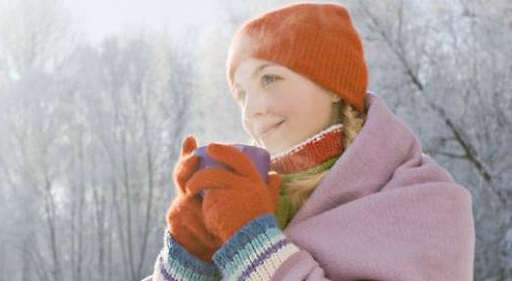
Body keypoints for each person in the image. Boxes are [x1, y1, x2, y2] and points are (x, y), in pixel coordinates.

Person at [144, 2, 475, 280]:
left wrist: (256, 249)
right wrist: (187, 262)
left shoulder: (427, 203)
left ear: (332, 86)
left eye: (269, 78)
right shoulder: (252, 201)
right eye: (242, 93)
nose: (251, 111)